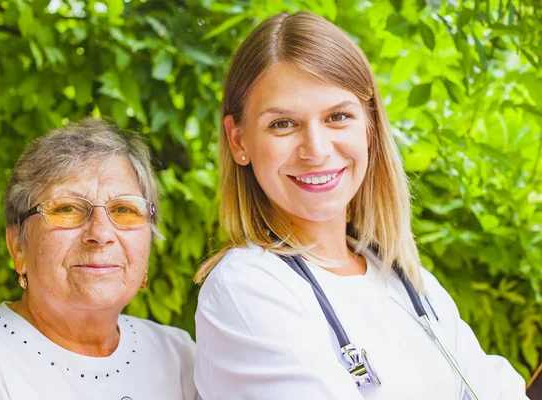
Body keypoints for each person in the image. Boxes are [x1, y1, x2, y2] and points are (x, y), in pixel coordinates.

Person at [193, 11, 528, 400]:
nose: (316, 150)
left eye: (338, 117)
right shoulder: (245, 289)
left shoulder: (409, 281)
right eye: (283, 124)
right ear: (239, 142)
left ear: (369, 127)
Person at [0, 119, 198, 399]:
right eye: (67, 209)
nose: (100, 233)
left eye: (124, 209)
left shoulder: (181, 358)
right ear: (17, 246)